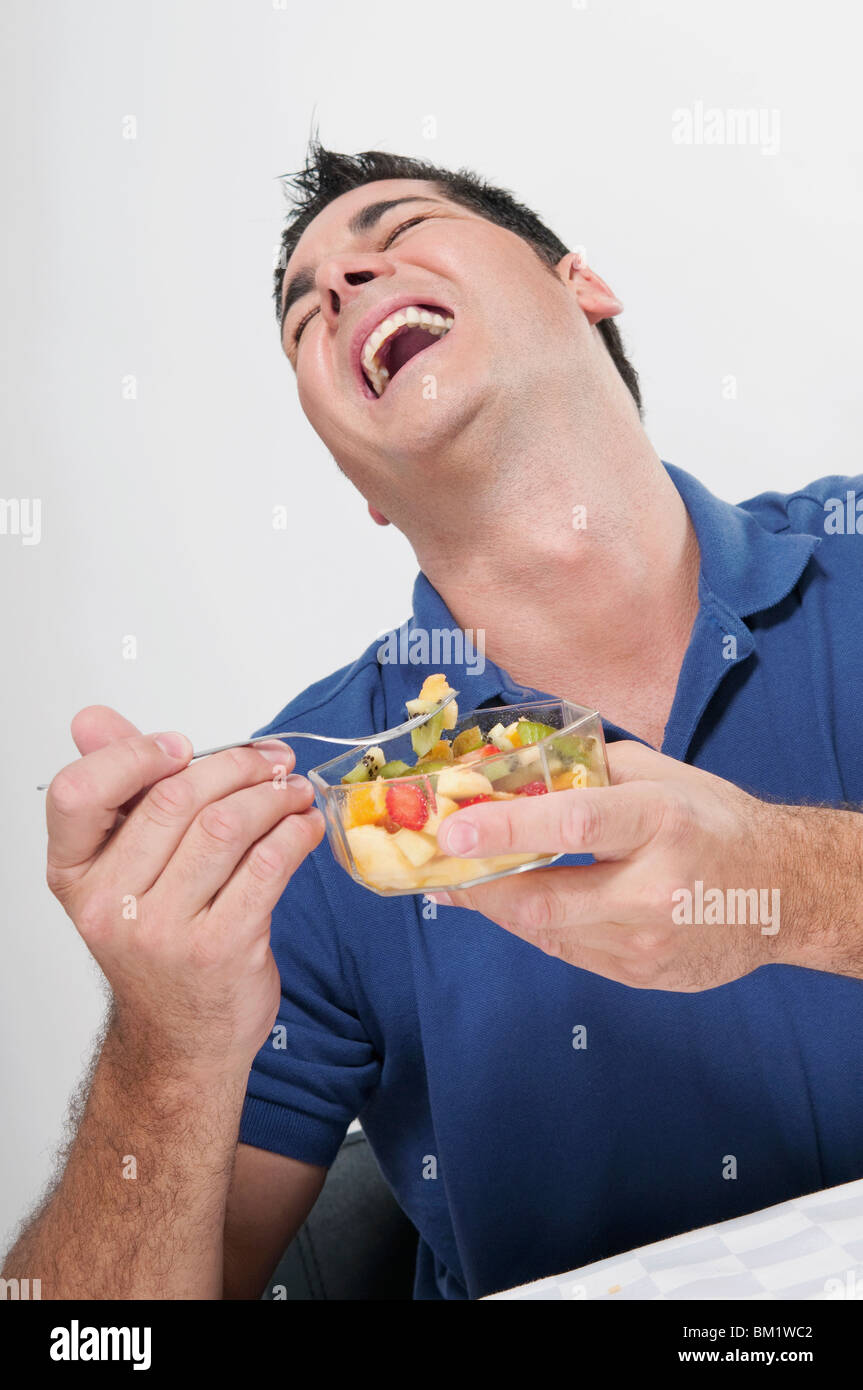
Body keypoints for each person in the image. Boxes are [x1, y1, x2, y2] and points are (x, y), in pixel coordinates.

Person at [4, 142, 862, 1302]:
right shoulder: (300, 826)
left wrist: (785, 886)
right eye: (305, 310)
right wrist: (165, 1049)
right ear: (358, 483)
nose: (342, 288)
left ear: (581, 285)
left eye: (394, 228)